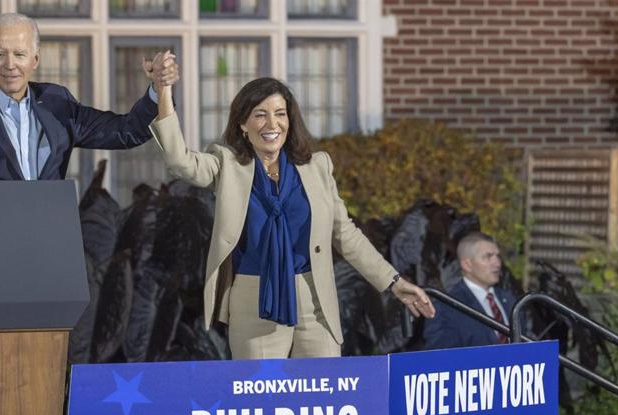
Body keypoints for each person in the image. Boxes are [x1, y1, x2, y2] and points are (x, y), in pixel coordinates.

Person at [149, 73, 434, 359]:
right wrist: (163, 92)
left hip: (315, 299)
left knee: (323, 396)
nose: (272, 124)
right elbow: (179, 161)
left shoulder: (317, 166)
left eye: (280, 114)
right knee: (262, 397)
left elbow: (345, 234)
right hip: (254, 301)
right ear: (242, 124)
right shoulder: (227, 166)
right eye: (260, 115)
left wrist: (394, 283)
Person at [0, 13, 178, 181]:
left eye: (20, 54)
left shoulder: (58, 103)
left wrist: (158, 90)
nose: (9, 64)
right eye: (0, 54)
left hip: (49, 240)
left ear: (35, 59)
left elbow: (125, 131)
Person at [424, 231, 515, 350]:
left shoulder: (509, 299)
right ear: (467, 265)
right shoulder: (446, 308)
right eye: (488, 257)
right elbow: (442, 359)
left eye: (498, 256)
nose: (497, 263)